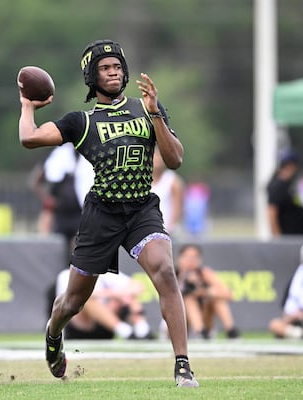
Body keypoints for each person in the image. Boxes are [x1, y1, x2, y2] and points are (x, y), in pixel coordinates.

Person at [18, 39, 199, 388]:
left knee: (165, 270)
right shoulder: (81, 121)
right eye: (105, 68)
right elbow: (29, 138)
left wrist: (156, 112)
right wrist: (27, 105)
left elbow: (175, 159)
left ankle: (183, 365)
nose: (113, 72)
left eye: (117, 66)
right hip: (102, 214)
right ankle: (53, 334)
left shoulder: (147, 108)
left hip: (141, 208)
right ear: (92, 76)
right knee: (73, 301)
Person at [55, 269, 153, 340]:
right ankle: (125, 332)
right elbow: (75, 298)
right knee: (87, 300)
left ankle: (142, 331)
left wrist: (119, 296)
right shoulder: (67, 275)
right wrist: (115, 294)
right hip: (81, 325)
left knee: (129, 297)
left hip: (105, 324)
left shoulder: (107, 274)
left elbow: (137, 286)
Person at [173, 244, 240, 339]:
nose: (190, 261)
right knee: (188, 299)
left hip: (204, 321)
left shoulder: (204, 273)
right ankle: (199, 332)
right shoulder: (172, 274)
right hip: (179, 324)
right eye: (187, 257)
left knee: (218, 298)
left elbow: (230, 294)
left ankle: (231, 332)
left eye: (194, 257)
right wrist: (184, 280)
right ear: (179, 258)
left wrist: (205, 292)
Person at [266, 150, 303, 236]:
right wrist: (278, 239)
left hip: (299, 234)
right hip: (287, 237)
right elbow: (272, 213)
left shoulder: (293, 183)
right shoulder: (277, 186)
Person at [151, 146, 185, 234]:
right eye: (155, 157)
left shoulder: (172, 180)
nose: (157, 161)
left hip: (168, 229)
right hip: (148, 229)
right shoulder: (142, 180)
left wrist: (171, 227)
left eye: (160, 157)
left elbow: (178, 206)